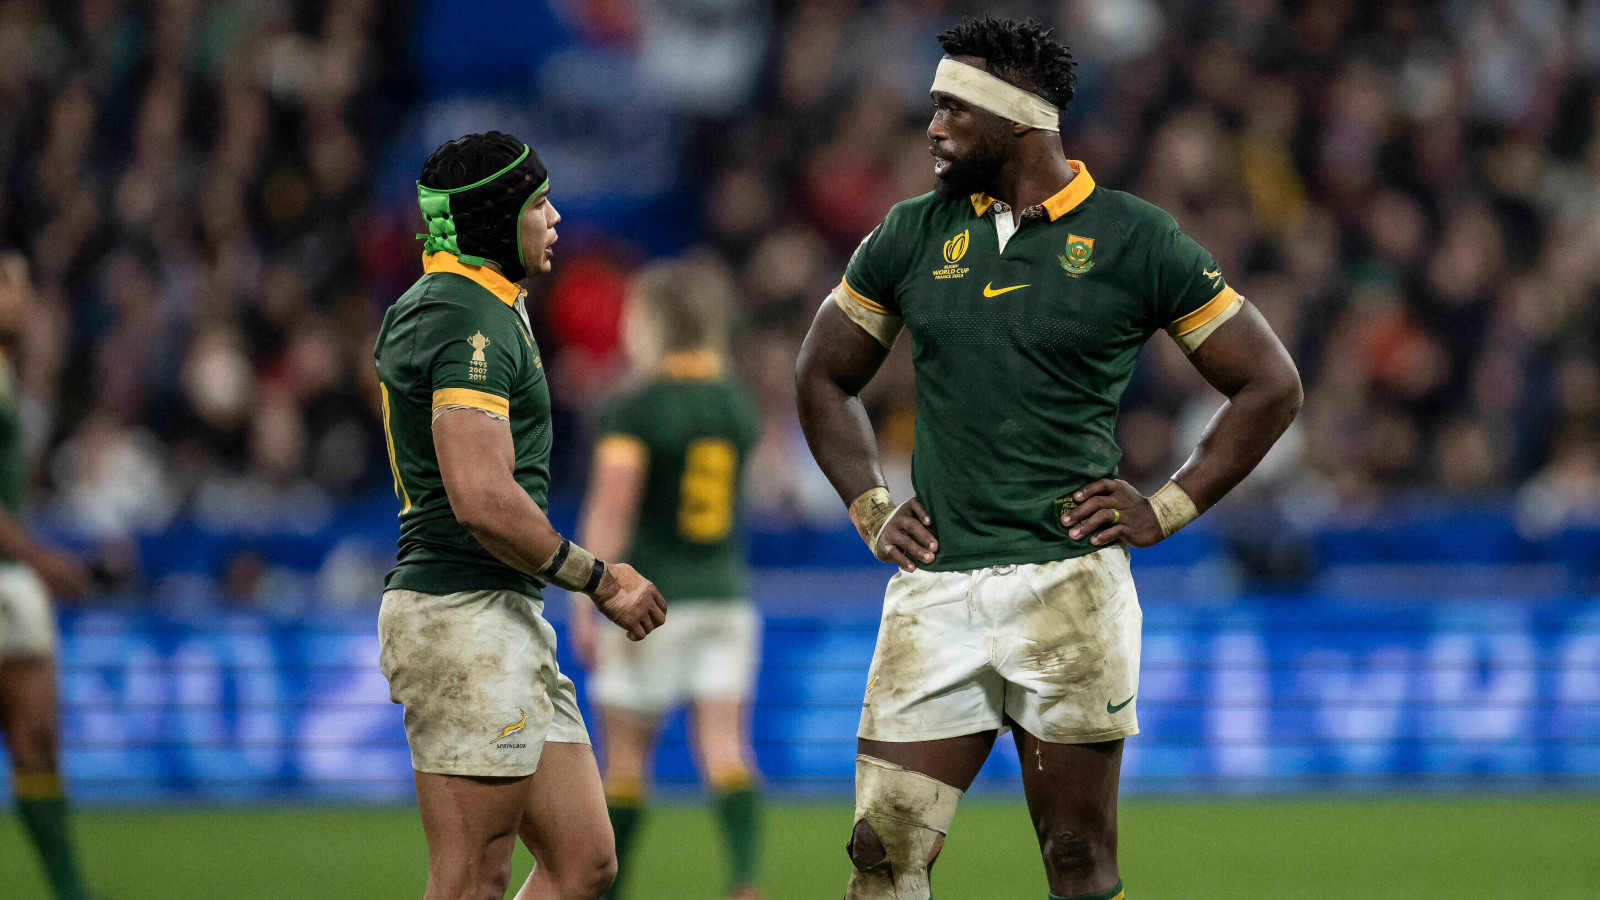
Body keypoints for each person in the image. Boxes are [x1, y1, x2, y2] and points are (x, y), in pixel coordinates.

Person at [794, 17, 1303, 900]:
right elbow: (821, 375)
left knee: (1076, 862)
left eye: (953, 107)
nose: (933, 126)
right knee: (882, 853)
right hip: (937, 590)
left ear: (1019, 122)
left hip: (1069, 591)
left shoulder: (1136, 238)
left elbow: (1269, 384)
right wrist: (870, 504)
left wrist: (1169, 505)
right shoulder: (911, 233)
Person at [373, 131, 668, 900]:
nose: (556, 218)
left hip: (501, 611)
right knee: (472, 875)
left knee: (585, 863)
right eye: (539, 204)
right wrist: (598, 579)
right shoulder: (462, 317)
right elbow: (481, 497)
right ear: (498, 220)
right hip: (459, 610)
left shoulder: (480, 304)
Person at [568, 259, 763, 900]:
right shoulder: (735, 402)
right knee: (725, 748)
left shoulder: (635, 406)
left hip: (648, 602)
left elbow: (613, 506)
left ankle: (607, 892)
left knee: (625, 762)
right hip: (727, 597)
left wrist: (586, 598)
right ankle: (743, 880)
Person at [0, 252, 96, 900]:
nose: (23, 296)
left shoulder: (11, 375)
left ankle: (68, 890)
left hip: (10, 577)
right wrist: (44, 559)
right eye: (10, 284)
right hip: (12, 569)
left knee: (37, 741)